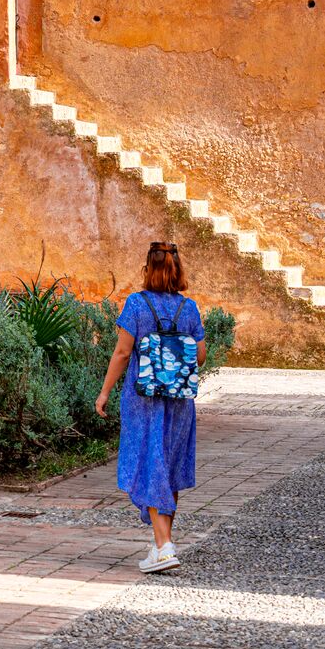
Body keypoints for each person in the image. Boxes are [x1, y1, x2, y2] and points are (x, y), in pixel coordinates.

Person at [94, 240, 204, 574]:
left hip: (143, 401)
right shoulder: (189, 308)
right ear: (177, 270)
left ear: (147, 269)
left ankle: (164, 546)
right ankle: (162, 544)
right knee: (167, 466)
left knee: (149, 465)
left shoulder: (137, 305)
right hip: (179, 402)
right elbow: (199, 356)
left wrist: (104, 393)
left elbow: (123, 353)